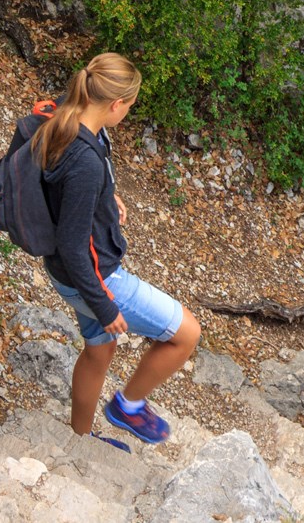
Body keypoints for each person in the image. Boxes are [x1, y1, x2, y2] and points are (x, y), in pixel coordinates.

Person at [36, 53, 201, 451]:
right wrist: (105, 306)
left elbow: (68, 192)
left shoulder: (65, 115)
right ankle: (128, 405)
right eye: (130, 105)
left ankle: (80, 440)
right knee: (186, 334)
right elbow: (75, 247)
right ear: (115, 105)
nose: (128, 112)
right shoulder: (85, 164)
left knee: (99, 349)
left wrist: (106, 198)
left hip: (62, 274)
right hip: (96, 278)